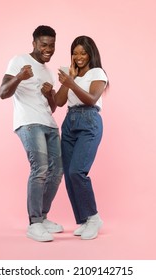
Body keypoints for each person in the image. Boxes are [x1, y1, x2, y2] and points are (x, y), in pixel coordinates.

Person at [0, 25, 64, 242]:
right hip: (28, 122)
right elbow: (2, 93)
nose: (48, 49)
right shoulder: (19, 60)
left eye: (52, 45)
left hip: (49, 124)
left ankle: (43, 217)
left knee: (57, 172)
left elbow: (53, 107)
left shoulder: (47, 71)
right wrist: (19, 76)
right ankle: (34, 223)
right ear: (34, 43)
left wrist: (49, 94)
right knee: (41, 169)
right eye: (44, 44)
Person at [55, 35, 108, 240]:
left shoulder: (98, 72)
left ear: (90, 54)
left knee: (78, 171)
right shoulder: (73, 75)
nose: (78, 57)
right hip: (69, 122)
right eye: (75, 53)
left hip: (89, 121)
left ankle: (94, 218)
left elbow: (92, 98)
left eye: (83, 52)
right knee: (68, 175)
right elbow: (59, 102)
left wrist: (72, 82)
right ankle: (85, 220)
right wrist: (69, 80)